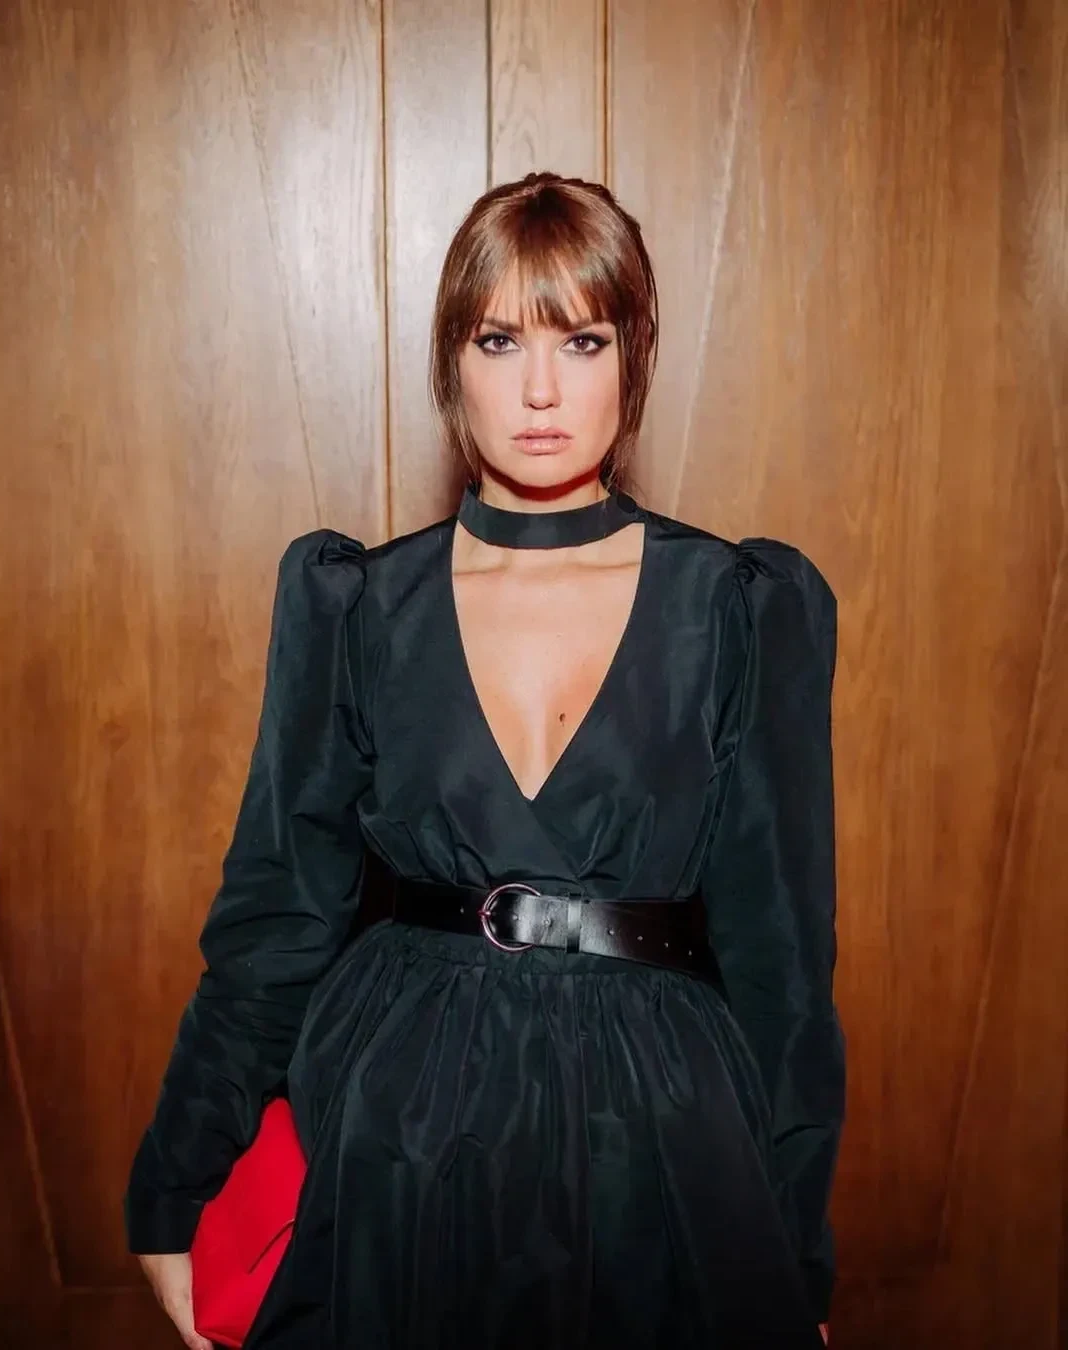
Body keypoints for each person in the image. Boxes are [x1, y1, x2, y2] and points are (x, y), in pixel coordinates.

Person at [126, 170, 844, 1349]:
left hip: (662, 1137)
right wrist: (175, 1181)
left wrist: (796, 1253)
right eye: (500, 340)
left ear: (635, 356)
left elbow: (784, 960)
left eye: (583, 340)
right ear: (451, 362)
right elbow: (275, 919)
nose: (541, 389)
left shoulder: (740, 605)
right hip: (401, 1130)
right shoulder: (357, 604)